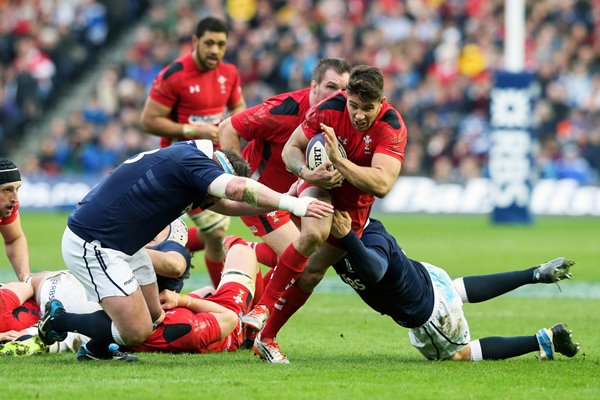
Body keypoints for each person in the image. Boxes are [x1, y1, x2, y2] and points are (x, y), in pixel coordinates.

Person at [36, 139, 333, 362]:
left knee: (154, 315)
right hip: (95, 243)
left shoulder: (190, 162)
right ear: (220, 170)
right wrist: (295, 205)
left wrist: (284, 195)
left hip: (122, 244)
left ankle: (97, 348)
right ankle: (60, 320)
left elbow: (228, 204)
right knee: (137, 330)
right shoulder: (192, 162)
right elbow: (233, 191)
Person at [243, 65, 408, 363]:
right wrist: (307, 172)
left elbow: (382, 184)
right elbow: (291, 149)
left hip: (354, 206)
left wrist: (338, 162)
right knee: (314, 233)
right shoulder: (328, 109)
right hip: (318, 183)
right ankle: (261, 308)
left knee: (310, 274)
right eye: (353, 105)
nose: (358, 115)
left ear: (381, 103)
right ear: (346, 96)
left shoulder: (391, 126)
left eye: (367, 109)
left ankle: (267, 339)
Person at [329, 210, 579, 361]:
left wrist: (347, 236)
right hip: (428, 276)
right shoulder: (368, 221)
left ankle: (545, 340)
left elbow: (373, 271)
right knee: (455, 289)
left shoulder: (353, 238)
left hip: (425, 311)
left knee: (458, 355)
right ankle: (534, 274)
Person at [218, 57, 350, 301]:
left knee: (307, 259)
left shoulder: (342, 114)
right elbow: (228, 128)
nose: (338, 95)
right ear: (314, 86)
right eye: (331, 87)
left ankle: (251, 310)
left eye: (344, 90)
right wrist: (238, 182)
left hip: (296, 194)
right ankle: (241, 250)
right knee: (302, 263)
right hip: (263, 195)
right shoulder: (284, 109)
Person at [141, 16, 247, 288]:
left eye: (221, 44)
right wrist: (193, 130)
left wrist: (230, 127)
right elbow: (148, 121)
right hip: (178, 166)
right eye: (209, 43)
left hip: (212, 165)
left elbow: (240, 111)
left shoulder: (229, 74)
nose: (215, 50)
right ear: (195, 42)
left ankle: (175, 251)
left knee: (215, 232)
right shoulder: (174, 75)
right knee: (217, 232)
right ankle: (224, 298)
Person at [128, 236, 258, 354]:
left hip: (193, 311)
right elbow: (230, 318)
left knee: (208, 290)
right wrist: (182, 300)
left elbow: (208, 292)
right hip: (230, 322)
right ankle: (254, 328)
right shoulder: (184, 328)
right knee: (240, 248)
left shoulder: (131, 321)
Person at [0, 158, 31, 282]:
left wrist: (25, 278)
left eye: (17, 189)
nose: (15, 199)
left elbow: (14, 239)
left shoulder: (7, 206)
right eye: (7, 189)